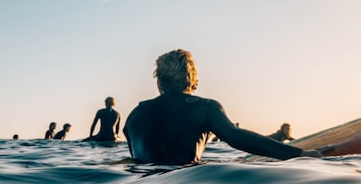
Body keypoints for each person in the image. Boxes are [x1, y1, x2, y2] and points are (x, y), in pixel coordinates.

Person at [124, 49, 323, 165]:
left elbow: (136, 161)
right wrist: (299, 155)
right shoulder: (204, 108)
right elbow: (235, 137)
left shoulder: (134, 116)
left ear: (159, 80)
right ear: (191, 78)